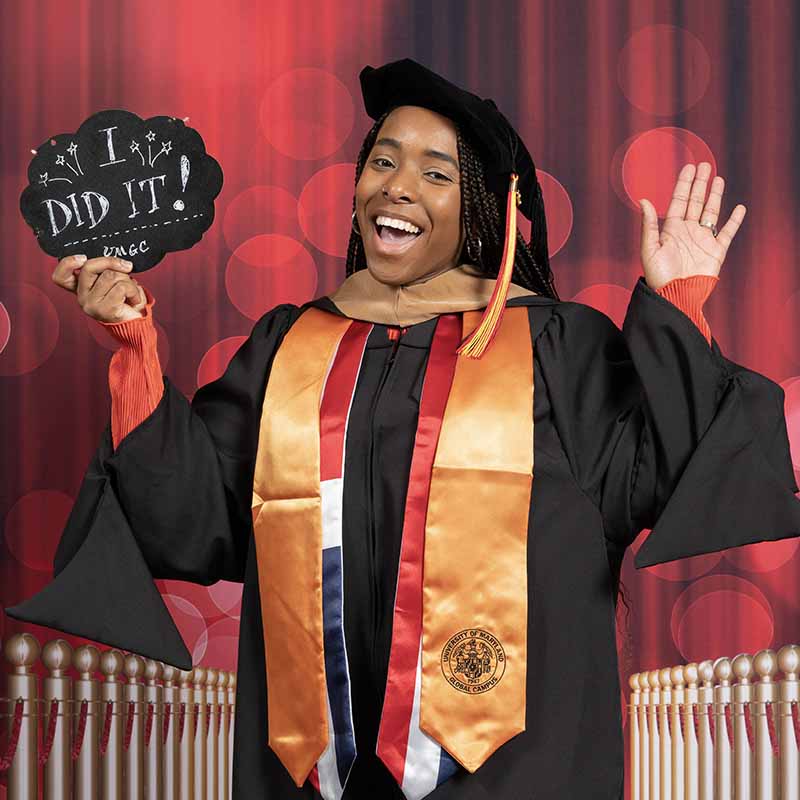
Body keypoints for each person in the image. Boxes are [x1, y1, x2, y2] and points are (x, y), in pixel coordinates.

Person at [6, 58, 800, 800]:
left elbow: (663, 476)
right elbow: (195, 516)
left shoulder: (556, 345)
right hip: (311, 767)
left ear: (487, 207)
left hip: (522, 764)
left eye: (436, 172)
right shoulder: (292, 344)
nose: (398, 188)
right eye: (383, 162)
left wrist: (678, 309)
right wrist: (135, 346)